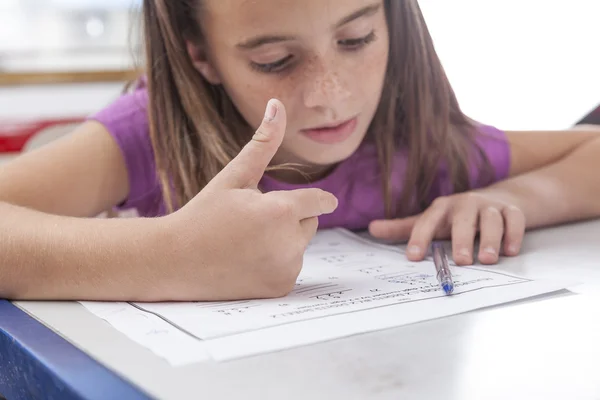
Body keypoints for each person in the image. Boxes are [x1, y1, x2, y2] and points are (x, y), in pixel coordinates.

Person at [1, 0, 599, 302]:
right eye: (274, 61)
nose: (330, 96)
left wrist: (510, 195)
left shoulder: (423, 148)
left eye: (357, 38)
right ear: (199, 56)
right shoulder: (145, 136)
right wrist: (167, 255)